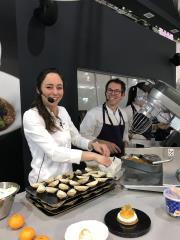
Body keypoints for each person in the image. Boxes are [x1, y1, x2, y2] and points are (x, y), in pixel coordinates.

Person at [23, 68, 111, 184]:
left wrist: (92, 144)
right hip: (44, 181)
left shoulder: (63, 111)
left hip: (66, 178)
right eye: (49, 87)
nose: (55, 92)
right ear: (39, 89)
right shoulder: (31, 116)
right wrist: (93, 156)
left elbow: (75, 137)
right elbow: (54, 152)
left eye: (59, 87)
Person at [80, 78, 129, 157]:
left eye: (117, 91)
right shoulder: (93, 113)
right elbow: (82, 136)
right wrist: (101, 142)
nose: (112, 93)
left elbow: (125, 136)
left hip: (119, 159)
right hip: (98, 160)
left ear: (122, 95)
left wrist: (126, 144)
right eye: (110, 90)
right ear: (106, 93)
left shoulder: (123, 114)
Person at [124, 82, 171, 147]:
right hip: (133, 146)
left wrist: (158, 126)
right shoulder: (127, 111)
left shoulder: (148, 110)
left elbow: (148, 128)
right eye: (145, 95)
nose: (147, 97)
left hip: (149, 145)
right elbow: (123, 132)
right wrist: (132, 135)